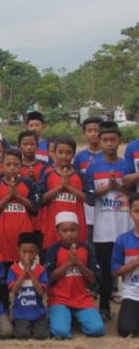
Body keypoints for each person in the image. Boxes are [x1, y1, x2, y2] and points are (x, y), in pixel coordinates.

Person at [84, 121, 135, 320]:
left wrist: (119, 187)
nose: (109, 143)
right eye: (105, 140)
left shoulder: (126, 165)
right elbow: (88, 196)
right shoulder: (93, 168)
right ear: (100, 141)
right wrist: (106, 188)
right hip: (103, 229)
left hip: (125, 226)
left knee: (129, 269)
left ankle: (130, 306)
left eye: (113, 140)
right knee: (106, 270)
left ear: (119, 141)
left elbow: (133, 193)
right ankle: (104, 307)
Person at [45, 212, 105, 339]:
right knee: (61, 333)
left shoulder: (87, 249)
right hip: (59, 299)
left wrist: (78, 263)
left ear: (79, 229)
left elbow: (93, 278)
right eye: (64, 230)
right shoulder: (53, 250)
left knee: (97, 329)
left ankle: (75, 318)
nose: (69, 234)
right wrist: (68, 264)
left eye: (72, 230)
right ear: (58, 232)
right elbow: (49, 278)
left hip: (82, 298)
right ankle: (64, 317)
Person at [0, 148, 38, 264]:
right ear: (2, 166)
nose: (12, 167)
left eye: (15, 164)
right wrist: (8, 196)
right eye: (8, 164)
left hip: (25, 234)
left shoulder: (28, 184)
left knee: (24, 268)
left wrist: (18, 196)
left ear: (21, 166)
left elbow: (34, 208)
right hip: (2, 236)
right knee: (4, 268)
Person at [39, 136, 86, 255]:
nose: (64, 156)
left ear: (74, 154)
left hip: (76, 230)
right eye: (60, 152)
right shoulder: (47, 175)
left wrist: (69, 187)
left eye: (68, 153)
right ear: (54, 153)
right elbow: (41, 200)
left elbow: (90, 199)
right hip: (52, 230)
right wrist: (60, 187)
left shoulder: (80, 176)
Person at [8, 232, 50, 340]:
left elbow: (41, 292)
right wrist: (23, 274)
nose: (27, 256)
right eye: (24, 252)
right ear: (18, 250)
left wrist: (31, 273)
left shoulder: (41, 269)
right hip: (21, 313)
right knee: (22, 335)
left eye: (31, 252)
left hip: (38, 313)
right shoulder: (13, 269)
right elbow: (14, 290)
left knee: (41, 335)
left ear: (37, 252)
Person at [111, 192, 139, 337]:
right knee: (125, 330)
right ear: (130, 214)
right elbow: (115, 272)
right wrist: (134, 263)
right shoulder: (123, 240)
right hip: (133, 294)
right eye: (136, 211)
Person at [75, 117, 103, 255]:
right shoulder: (80, 157)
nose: (93, 134)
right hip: (87, 213)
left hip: (107, 210)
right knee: (89, 250)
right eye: (89, 131)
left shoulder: (109, 155)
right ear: (84, 133)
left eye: (96, 130)